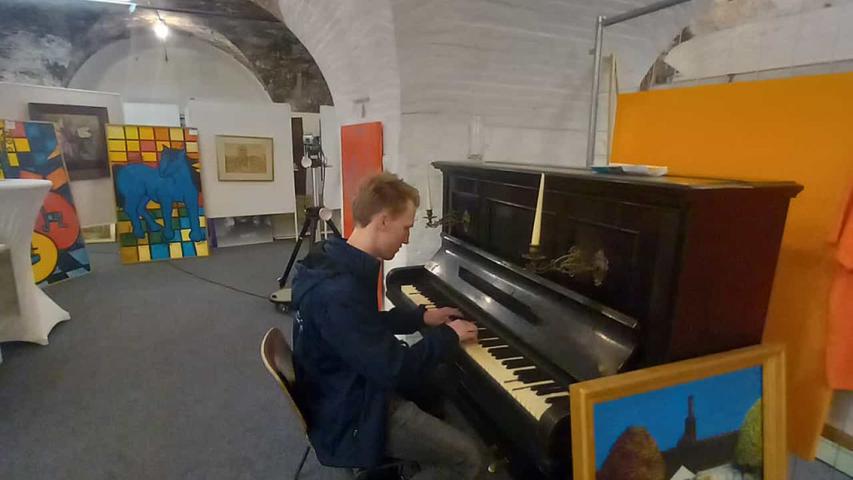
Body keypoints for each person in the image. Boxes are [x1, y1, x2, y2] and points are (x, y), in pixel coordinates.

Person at [291, 172, 482, 479]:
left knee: (439, 384)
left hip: (338, 386)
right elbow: (395, 368)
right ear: (383, 221)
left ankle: (411, 459)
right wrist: (448, 335)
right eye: (406, 227)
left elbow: (360, 328)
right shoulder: (338, 293)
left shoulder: (333, 258)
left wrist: (420, 317)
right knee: (470, 457)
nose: (407, 238)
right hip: (354, 411)